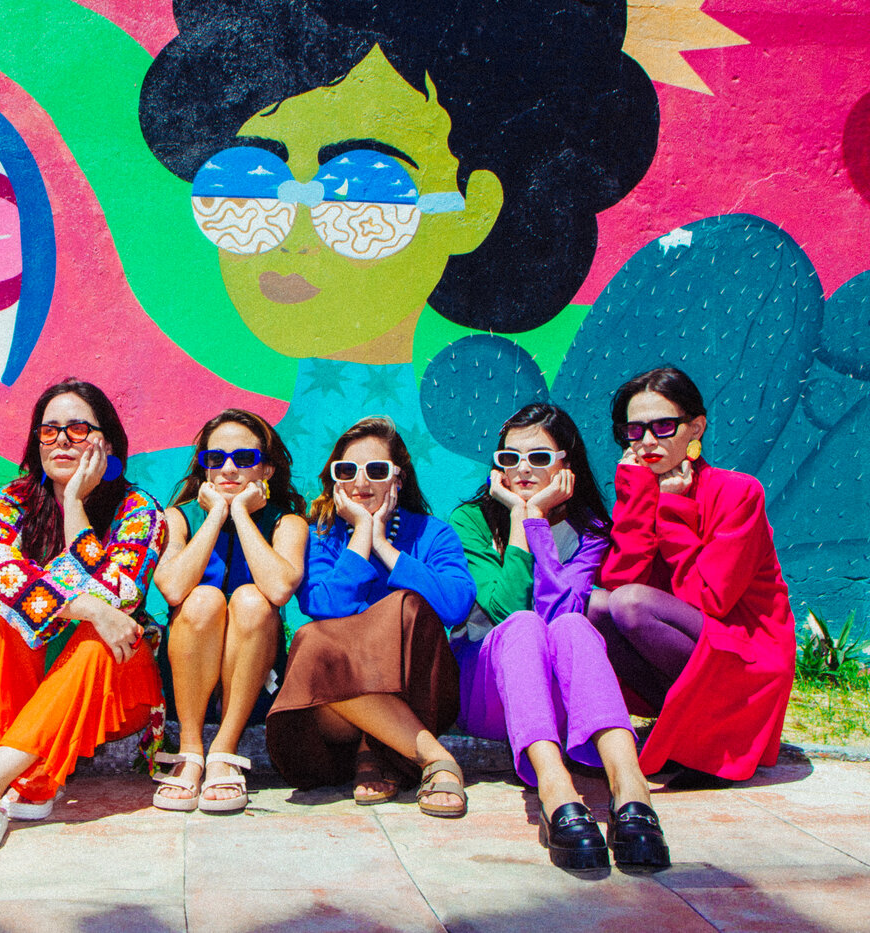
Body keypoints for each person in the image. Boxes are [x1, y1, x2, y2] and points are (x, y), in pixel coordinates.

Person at [141, 0, 658, 360]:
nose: (292, 239)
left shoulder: (520, 453)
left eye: (363, 187)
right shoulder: (193, 470)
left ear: (472, 210)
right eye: (251, 182)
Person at [0, 379, 167, 856]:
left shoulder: (140, 511)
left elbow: (117, 597)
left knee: (104, 637)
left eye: (79, 429)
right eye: (49, 430)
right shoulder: (11, 501)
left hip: (114, 687)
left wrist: (77, 505)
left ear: (108, 442)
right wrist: (83, 607)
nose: (61, 440)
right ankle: (35, 777)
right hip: (31, 670)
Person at [450, 404, 668, 872]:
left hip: (565, 701)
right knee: (523, 626)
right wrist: (522, 518)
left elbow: (561, 611)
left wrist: (535, 524)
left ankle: (631, 790)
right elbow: (506, 609)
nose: (522, 469)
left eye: (538, 457)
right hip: (492, 693)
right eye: (510, 458)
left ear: (566, 465)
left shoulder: (589, 531)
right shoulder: (470, 520)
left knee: (572, 625)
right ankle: (555, 790)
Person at [589, 367, 796, 786]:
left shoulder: (739, 492)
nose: (648, 441)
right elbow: (616, 581)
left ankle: (715, 738)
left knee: (630, 604)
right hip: (694, 643)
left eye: (664, 426)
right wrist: (633, 500)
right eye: (635, 430)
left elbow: (710, 600)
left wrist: (669, 511)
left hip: (747, 653)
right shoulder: (644, 488)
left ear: (696, 427)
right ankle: (682, 728)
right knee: (594, 607)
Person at [265, 417, 473, 815]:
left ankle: (376, 751)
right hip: (334, 722)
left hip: (415, 696)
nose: (361, 483)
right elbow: (325, 606)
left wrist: (385, 546)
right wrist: (361, 536)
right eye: (347, 471)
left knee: (405, 605)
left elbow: (455, 606)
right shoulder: (321, 536)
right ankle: (430, 756)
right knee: (313, 637)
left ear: (398, 479)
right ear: (334, 480)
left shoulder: (434, 534)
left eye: (376, 471)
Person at [152, 410, 308, 813]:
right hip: (186, 680)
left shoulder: (286, 523)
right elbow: (171, 589)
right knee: (203, 598)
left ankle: (224, 748)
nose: (227, 469)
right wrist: (217, 515)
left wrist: (240, 514)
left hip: (257, 682)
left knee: (253, 599)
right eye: (214, 459)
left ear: (267, 469)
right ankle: (190, 748)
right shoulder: (180, 517)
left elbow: (278, 588)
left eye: (243, 459)